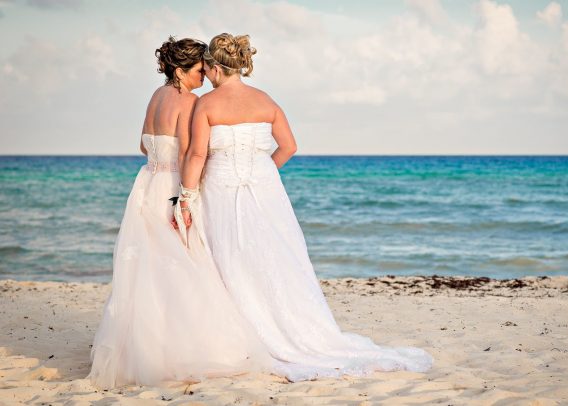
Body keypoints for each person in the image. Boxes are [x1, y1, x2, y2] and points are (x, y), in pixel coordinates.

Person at [178, 33, 433, 382]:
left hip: (221, 190)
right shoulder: (267, 101)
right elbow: (289, 147)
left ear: (216, 69)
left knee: (231, 259)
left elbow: (196, 155)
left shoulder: (206, 105)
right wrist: (262, 171)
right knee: (273, 258)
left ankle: (241, 337)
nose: (205, 75)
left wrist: (185, 197)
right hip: (265, 190)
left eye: (206, 68)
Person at [87, 36, 272, 389]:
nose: (205, 75)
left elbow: (143, 143)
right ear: (181, 70)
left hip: (147, 184)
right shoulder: (190, 103)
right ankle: (181, 349)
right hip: (173, 188)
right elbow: (190, 153)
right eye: (200, 69)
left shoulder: (156, 97)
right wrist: (192, 193)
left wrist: (161, 158)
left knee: (151, 267)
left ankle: (143, 349)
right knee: (187, 261)